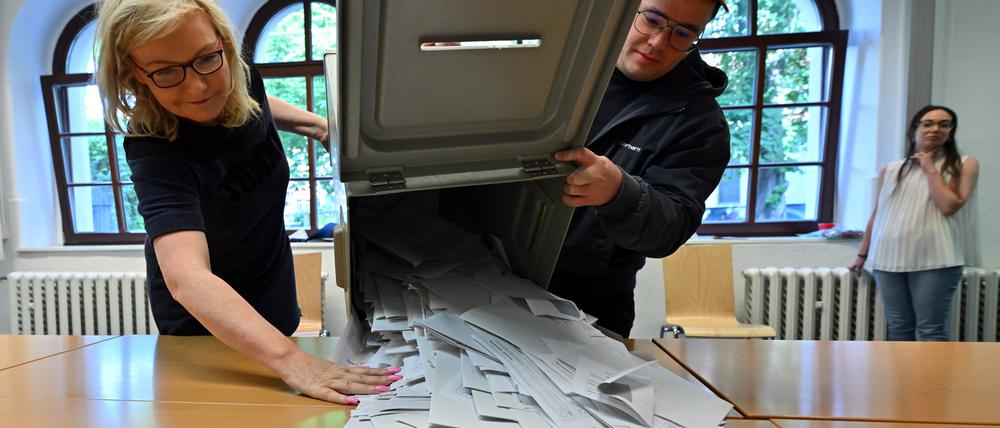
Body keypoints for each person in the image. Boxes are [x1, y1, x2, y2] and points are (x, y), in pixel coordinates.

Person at [93, 0, 397, 404]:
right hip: (206, 332)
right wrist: (294, 360)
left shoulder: (237, 76)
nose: (198, 87)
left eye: (206, 59)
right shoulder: (156, 150)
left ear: (224, 45)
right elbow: (187, 278)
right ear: (135, 73)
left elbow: (256, 104)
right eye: (166, 71)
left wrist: (318, 126)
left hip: (271, 294)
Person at [548, 0, 731, 338]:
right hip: (482, 273)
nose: (658, 42)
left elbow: (674, 225)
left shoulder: (701, 123)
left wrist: (620, 193)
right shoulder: (555, 63)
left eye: (683, 32)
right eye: (652, 19)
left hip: (590, 307)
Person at [852, 105, 979, 341]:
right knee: (898, 327)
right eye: (928, 123)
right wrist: (862, 255)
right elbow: (877, 214)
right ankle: (904, 380)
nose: (935, 129)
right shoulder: (891, 169)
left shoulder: (964, 164)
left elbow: (949, 206)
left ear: (951, 131)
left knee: (931, 329)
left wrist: (930, 168)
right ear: (915, 130)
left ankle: (933, 380)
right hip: (888, 259)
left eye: (944, 124)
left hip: (937, 259)